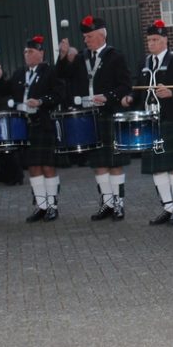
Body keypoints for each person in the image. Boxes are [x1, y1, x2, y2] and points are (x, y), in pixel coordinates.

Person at [56, 16, 133, 220]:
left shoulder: (115, 56)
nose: (85, 40)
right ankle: (107, 204)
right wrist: (63, 55)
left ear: (101, 35)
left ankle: (118, 204)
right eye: (84, 37)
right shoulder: (81, 58)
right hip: (89, 118)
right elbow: (62, 74)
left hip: (108, 114)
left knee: (114, 163)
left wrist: (108, 97)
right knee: (99, 164)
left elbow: (126, 85)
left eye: (89, 36)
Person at [121, 19, 173, 225]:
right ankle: (167, 208)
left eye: (155, 39)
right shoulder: (144, 63)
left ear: (165, 40)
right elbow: (138, 87)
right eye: (149, 40)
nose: (151, 43)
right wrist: (130, 97)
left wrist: (172, 93)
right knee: (157, 168)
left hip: (170, 119)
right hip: (150, 122)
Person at [0, 35, 64, 221]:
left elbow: (59, 94)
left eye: (31, 51)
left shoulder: (50, 71)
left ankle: (52, 206)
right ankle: (41, 206)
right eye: (25, 52)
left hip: (43, 123)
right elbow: (4, 90)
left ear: (41, 53)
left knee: (47, 166)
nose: (27, 54)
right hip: (25, 126)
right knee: (32, 167)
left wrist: (40, 101)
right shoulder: (19, 73)